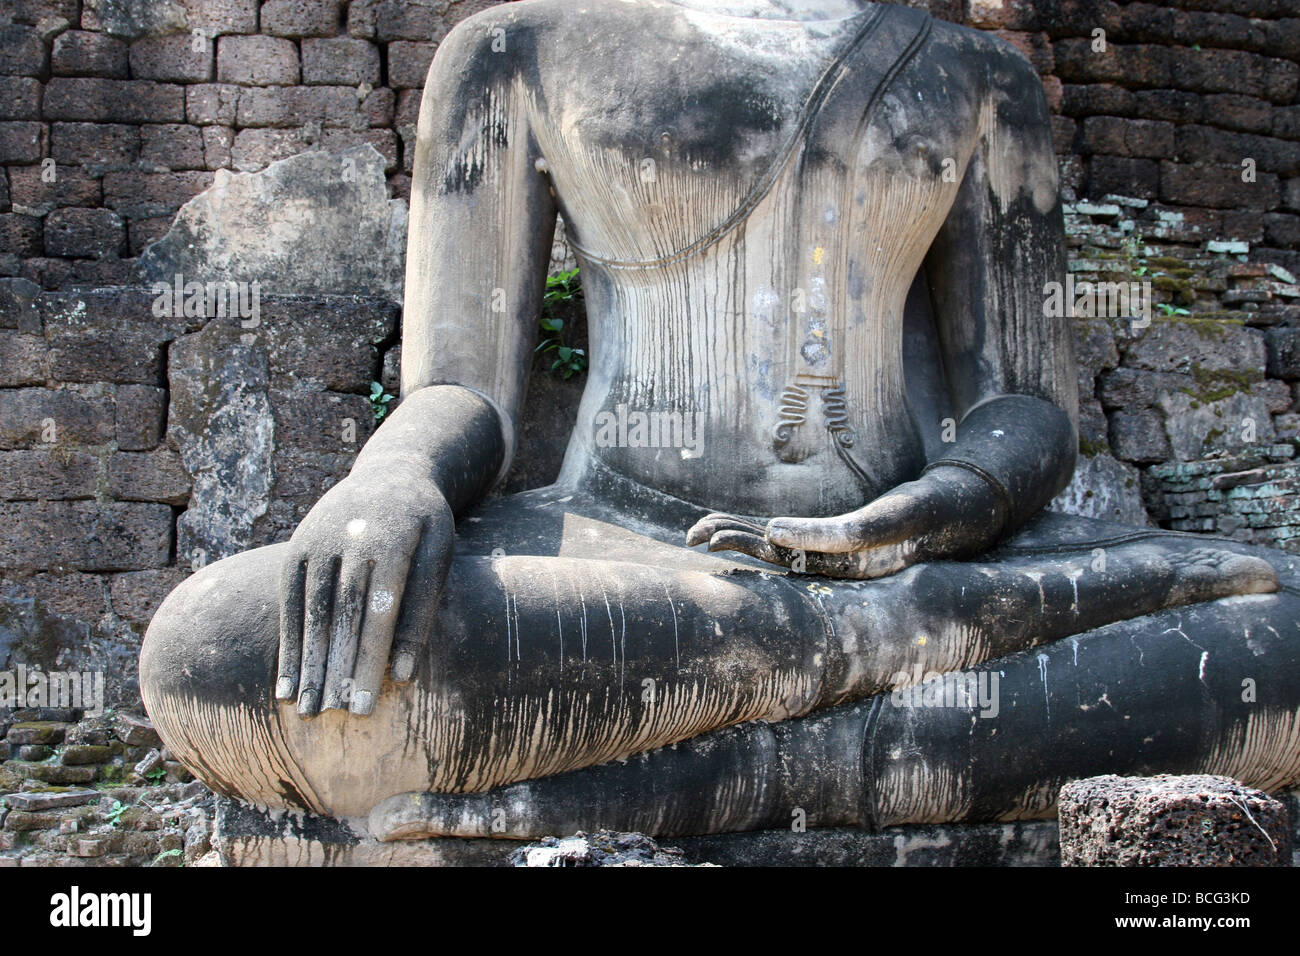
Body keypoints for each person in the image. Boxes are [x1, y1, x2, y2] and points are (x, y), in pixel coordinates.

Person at [141, 0, 1300, 837]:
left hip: (914, 559)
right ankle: (871, 721)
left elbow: (1026, 406)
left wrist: (940, 508)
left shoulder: (971, 76)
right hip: (629, 560)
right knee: (223, 650)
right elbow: (466, 389)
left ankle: (690, 775)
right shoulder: (515, 50)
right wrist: (391, 481)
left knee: (1286, 634)